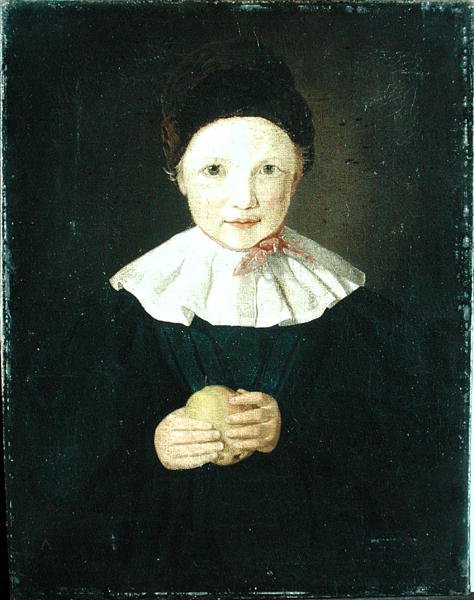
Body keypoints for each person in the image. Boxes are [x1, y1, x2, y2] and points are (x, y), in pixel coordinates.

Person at [23, 41, 465, 595]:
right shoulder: (123, 310)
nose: (244, 198)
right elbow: (56, 456)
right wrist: (152, 444)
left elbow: (418, 449)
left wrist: (293, 427)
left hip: (312, 553)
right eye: (214, 170)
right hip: (165, 557)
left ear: (298, 174)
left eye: (268, 169)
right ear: (179, 176)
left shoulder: (355, 311)